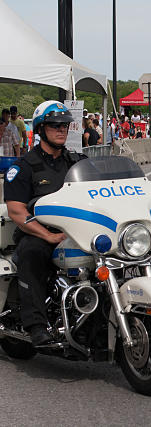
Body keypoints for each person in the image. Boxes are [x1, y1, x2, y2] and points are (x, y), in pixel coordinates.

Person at [3, 101, 87, 346]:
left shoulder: (77, 163)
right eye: (54, 125)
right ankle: (36, 325)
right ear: (40, 129)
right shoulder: (24, 167)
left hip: (77, 232)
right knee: (32, 253)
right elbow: (16, 211)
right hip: (40, 234)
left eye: (64, 125)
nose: (61, 130)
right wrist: (47, 236)